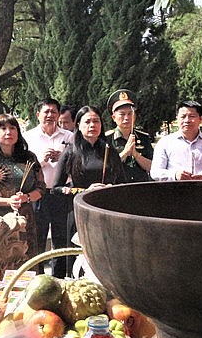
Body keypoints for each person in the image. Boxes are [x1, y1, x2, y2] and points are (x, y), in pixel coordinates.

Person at [53, 105, 126, 273]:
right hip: (79, 211)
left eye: (96, 121)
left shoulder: (110, 151)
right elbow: (56, 188)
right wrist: (84, 190)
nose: (93, 125)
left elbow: (122, 184)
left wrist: (110, 188)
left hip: (105, 210)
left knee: (104, 256)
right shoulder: (71, 152)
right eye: (87, 122)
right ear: (78, 125)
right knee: (78, 257)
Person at [0, 114, 46, 259]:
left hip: (25, 218)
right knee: (3, 260)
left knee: (27, 260)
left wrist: (27, 197)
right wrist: (9, 201)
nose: (9, 132)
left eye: (12, 128)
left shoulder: (29, 158)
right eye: (3, 128)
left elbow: (41, 188)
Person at [22, 98, 73, 277]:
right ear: (38, 115)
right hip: (38, 194)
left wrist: (63, 159)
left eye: (54, 112)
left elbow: (76, 166)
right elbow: (25, 168)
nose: (50, 115)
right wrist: (42, 160)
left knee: (61, 237)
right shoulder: (28, 137)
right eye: (46, 112)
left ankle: (60, 278)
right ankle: (38, 276)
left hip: (61, 194)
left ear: (59, 115)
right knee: (38, 236)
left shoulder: (69, 137)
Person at [150, 100, 202, 181]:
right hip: (174, 191)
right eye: (183, 116)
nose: (187, 120)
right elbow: (155, 172)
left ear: (201, 119)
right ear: (177, 119)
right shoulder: (165, 143)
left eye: (192, 116)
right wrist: (175, 175)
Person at [105, 89, 153, 183]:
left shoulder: (143, 138)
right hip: (117, 189)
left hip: (140, 187)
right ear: (114, 117)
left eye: (130, 114)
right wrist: (125, 152)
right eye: (122, 114)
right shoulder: (107, 139)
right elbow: (106, 168)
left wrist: (136, 155)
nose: (126, 118)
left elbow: (152, 167)